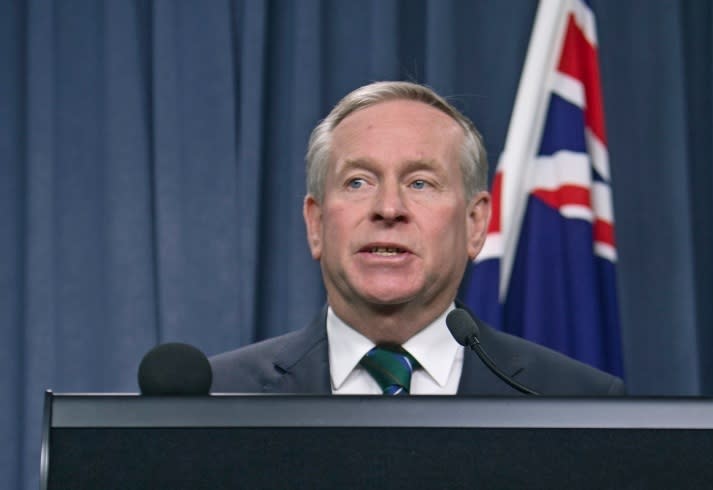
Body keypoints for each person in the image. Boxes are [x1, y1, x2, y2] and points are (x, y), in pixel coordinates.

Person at [210, 81, 624, 396]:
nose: (389, 208)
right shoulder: (215, 397)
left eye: (421, 183)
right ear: (316, 224)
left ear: (475, 223)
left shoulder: (571, 399)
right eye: (358, 182)